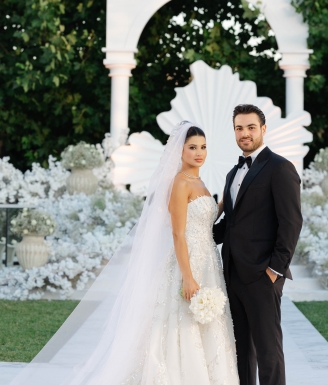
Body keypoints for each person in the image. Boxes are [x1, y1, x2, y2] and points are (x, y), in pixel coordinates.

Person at [9, 122, 239, 385]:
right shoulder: (179, 183)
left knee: (206, 324)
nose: (199, 153)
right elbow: (178, 234)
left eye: (203, 147)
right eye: (192, 147)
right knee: (182, 322)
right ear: (180, 151)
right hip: (187, 264)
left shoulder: (198, 181)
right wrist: (187, 276)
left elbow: (202, 221)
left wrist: (222, 205)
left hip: (209, 261)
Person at [213, 104, 303, 385]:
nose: (245, 133)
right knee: (240, 351)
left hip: (263, 275)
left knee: (268, 350)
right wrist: (194, 236)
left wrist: (274, 270)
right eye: (239, 128)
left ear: (263, 129)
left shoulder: (280, 168)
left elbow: (291, 223)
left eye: (251, 127)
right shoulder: (232, 174)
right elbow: (231, 224)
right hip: (233, 274)